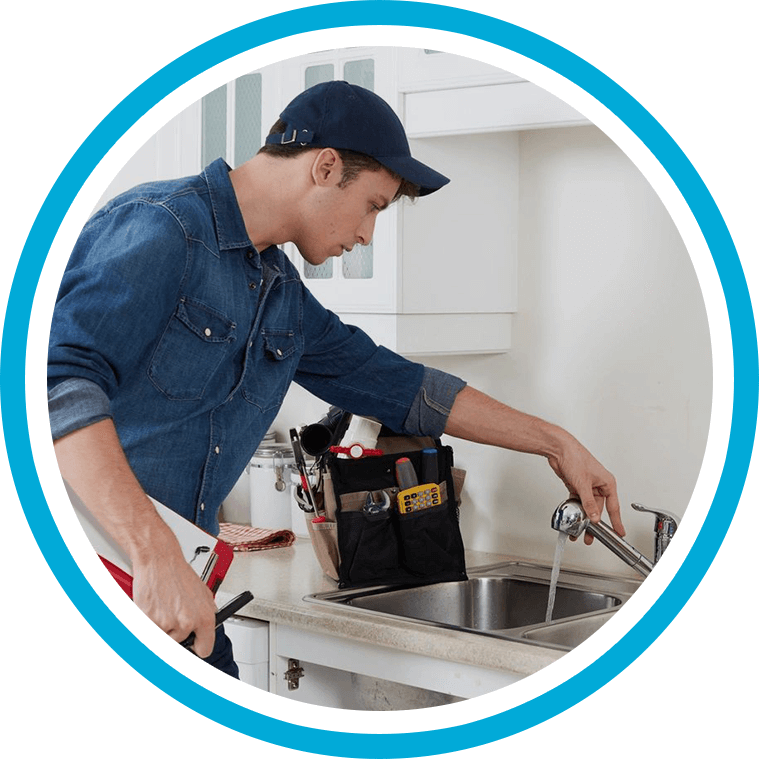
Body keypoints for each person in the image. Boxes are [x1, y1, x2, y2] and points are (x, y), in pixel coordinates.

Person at [48, 80, 623, 675]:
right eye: (374, 205)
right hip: (117, 571)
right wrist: (154, 553)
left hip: (181, 601)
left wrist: (555, 442)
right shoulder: (162, 227)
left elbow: (401, 387)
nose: (368, 234)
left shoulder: (281, 296)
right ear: (325, 167)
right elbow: (57, 385)